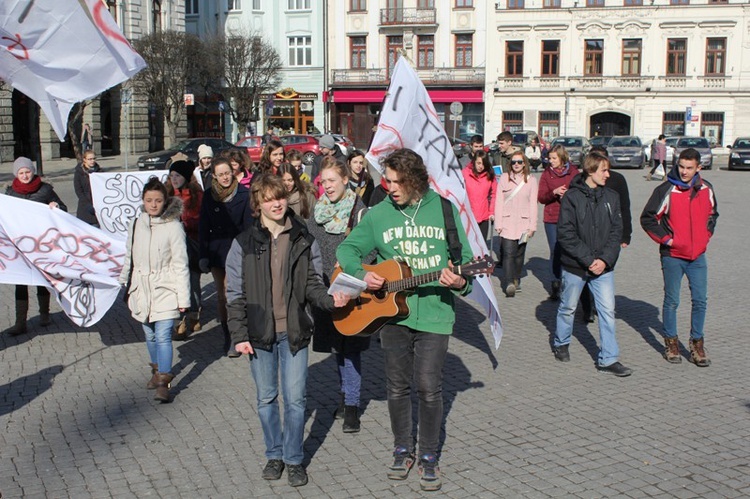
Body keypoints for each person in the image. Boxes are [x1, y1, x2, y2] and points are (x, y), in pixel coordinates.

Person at [337, 148, 474, 492]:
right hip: (392, 316)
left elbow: (468, 262)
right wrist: (361, 275)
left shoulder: (443, 210)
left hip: (435, 314)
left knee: (428, 388)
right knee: (396, 386)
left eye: (398, 182)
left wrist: (459, 280)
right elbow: (346, 251)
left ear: (415, 180)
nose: (391, 187)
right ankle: (402, 448)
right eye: (388, 180)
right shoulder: (380, 213)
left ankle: (428, 454)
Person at [225, 174, 348, 488]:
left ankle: (293, 458)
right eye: (267, 199)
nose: (275, 204)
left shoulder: (304, 239)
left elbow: (313, 284)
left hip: (294, 331)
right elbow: (235, 294)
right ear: (258, 204)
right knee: (266, 399)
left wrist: (331, 301)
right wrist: (238, 336)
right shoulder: (242, 243)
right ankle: (274, 454)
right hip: (258, 333)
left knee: (295, 401)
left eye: (278, 197)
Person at [553, 152, 632, 377]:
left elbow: (616, 231)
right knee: (568, 307)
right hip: (575, 266)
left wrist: (604, 260)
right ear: (590, 171)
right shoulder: (572, 197)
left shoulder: (611, 196)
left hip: (603, 267)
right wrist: (588, 260)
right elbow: (566, 234)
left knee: (607, 311)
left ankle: (608, 358)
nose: (608, 175)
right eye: (603, 171)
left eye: (608, 170)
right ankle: (561, 342)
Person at [308, 158, 371, 433]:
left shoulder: (360, 212)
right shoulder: (318, 212)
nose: (327, 186)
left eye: (332, 181)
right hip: (325, 292)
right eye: (323, 182)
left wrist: (350, 266)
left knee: (352, 348)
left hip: (351, 287)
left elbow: (371, 248)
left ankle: (353, 408)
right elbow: (310, 246)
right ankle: (345, 398)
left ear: (346, 179)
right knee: (338, 348)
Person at [640, 148, 718, 367]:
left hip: (698, 256)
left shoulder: (706, 188)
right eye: (681, 167)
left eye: (689, 168)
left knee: (700, 300)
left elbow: (713, 214)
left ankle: (697, 344)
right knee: (672, 301)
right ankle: (671, 343)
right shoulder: (666, 189)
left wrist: (706, 236)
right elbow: (648, 218)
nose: (684, 172)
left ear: (698, 168)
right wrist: (668, 240)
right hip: (673, 255)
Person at [119, 177, 190, 402]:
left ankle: (163, 383)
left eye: (158, 200)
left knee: (162, 336)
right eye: (149, 200)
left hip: (165, 287)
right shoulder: (136, 224)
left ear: (165, 201)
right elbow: (129, 255)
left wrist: (183, 297)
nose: (153, 205)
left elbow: (181, 263)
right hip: (142, 288)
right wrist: (125, 281)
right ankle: (156, 371)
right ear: (143, 200)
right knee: (149, 334)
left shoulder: (174, 227)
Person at [4, 157, 67, 336]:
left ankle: (44, 315)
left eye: (28, 171)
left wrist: (57, 207)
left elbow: (63, 208)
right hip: (19, 245)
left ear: (33, 171)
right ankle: (20, 323)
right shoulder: (10, 193)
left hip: (41, 244)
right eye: (21, 173)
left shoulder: (45, 189)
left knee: (41, 280)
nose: (25, 175)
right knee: (21, 282)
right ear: (16, 174)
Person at [198, 157, 252, 358]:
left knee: (233, 293)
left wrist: (247, 252)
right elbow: (204, 227)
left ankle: (239, 333)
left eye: (227, 173)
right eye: (220, 174)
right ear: (214, 176)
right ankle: (228, 335)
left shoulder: (244, 194)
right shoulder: (208, 196)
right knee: (221, 295)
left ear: (233, 172)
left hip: (237, 250)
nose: (225, 178)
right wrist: (203, 255)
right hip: (217, 252)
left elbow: (248, 227)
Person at [580, 145, 632, 323]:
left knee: (603, 270)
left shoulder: (617, 180)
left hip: (609, 234)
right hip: (586, 235)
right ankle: (588, 307)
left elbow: (625, 207)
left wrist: (626, 234)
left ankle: (599, 305)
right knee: (584, 272)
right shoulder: (580, 181)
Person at [166, 159, 204, 339]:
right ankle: (179, 322)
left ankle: (194, 314)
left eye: (178, 175)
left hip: (192, 245)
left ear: (186, 177)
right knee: (175, 284)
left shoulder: (197, 194)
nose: (174, 179)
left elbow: (202, 219)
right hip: (172, 248)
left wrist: (186, 224)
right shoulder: (166, 194)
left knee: (193, 283)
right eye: (171, 175)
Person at [537, 144, 580, 299]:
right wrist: (553, 193)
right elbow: (541, 197)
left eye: (554, 158)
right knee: (556, 250)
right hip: (552, 218)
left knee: (568, 250)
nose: (551, 161)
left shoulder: (574, 172)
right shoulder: (547, 174)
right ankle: (556, 281)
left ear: (562, 158)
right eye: (550, 158)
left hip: (571, 217)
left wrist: (569, 194)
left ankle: (568, 282)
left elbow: (581, 192)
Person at [494, 151, 538, 297]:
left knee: (519, 255)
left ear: (524, 163)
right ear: (510, 164)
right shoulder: (504, 179)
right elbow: (499, 202)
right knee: (508, 254)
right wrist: (498, 223)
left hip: (523, 224)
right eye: (514, 162)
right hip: (506, 222)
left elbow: (533, 205)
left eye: (519, 162)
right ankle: (508, 283)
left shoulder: (531, 180)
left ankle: (516, 278)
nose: (517, 165)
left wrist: (533, 226)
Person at [462, 149, 496, 242]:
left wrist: (491, 212)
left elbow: (494, 195)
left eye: (484, 164)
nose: (481, 166)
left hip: (483, 216)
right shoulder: (464, 173)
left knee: (481, 245)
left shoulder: (489, 175)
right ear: (474, 162)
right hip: (468, 216)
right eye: (479, 163)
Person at [74, 149, 101, 227]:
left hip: (97, 206)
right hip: (84, 208)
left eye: (94, 159)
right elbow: (79, 191)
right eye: (90, 159)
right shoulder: (79, 173)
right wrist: (87, 204)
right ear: (84, 160)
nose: (92, 161)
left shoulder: (99, 171)